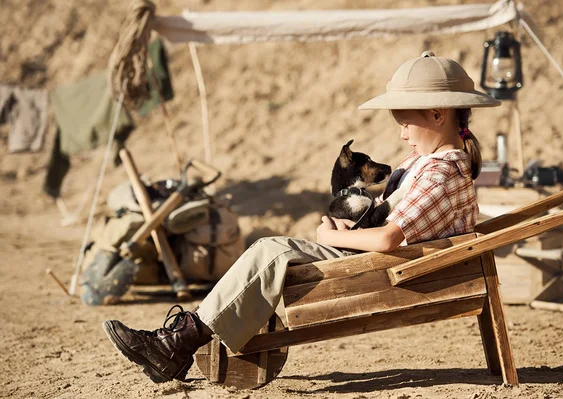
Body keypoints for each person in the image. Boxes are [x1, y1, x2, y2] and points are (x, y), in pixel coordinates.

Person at [102, 50, 501, 384]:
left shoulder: (440, 170)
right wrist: (347, 228)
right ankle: (180, 341)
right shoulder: (425, 162)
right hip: (389, 263)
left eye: (404, 122)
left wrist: (334, 238)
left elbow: (387, 241)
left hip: (392, 270)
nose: (401, 134)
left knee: (272, 253)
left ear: (437, 114)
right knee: (274, 250)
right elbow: (393, 225)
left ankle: (175, 345)